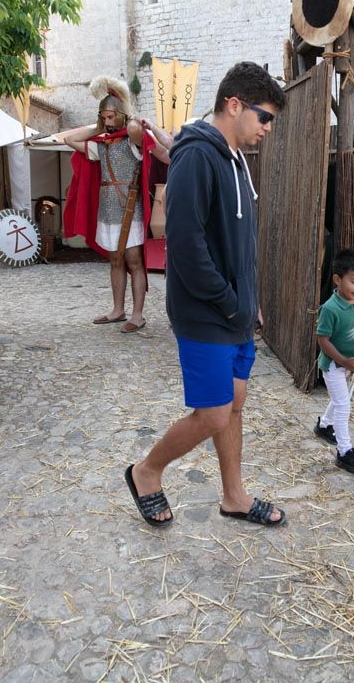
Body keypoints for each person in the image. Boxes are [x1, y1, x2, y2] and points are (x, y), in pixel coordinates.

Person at [125, 61, 286, 528]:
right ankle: (146, 471)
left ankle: (234, 496)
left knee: (234, 403)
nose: (268, 129)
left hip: (234, 312)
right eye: (265, 117)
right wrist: (231, 301)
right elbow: (188, 248)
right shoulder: (196, 156)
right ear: (234, 105)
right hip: (205, 312)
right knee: (214, 414)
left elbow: (238, 241)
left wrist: (249, 297)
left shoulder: (235, 159)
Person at [63, 77, 170, 333]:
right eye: (104, 118)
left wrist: (128, 116)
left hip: (129, 208)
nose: (108, 122)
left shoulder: (133, 141)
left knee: (134, 260)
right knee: (115, 260)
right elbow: (69, 140)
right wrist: (98, 126)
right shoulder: (101, 145)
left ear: (121, 116)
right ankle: (118, 309)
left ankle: (138, 315)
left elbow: (134, 130)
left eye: (111, 117)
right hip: (107, 209)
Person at [313, 248, 354, 473]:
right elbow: (323, 340)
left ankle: (324, 426)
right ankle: (344, 451)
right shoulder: (329, 309)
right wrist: (343, 361)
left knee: (341, 398)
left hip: (349, 362)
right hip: (333, 366)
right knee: (343, 404)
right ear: (338, 279)